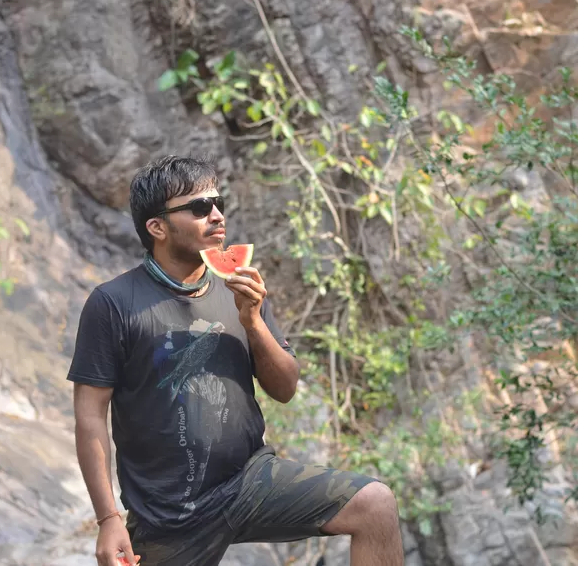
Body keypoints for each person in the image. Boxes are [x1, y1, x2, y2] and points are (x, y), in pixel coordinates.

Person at [67, 156, 405, 566]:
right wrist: (108, 518)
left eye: (217, 202)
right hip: (168, 515)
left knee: (375, 504)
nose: (216, 215)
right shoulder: (113, 304)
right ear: (157, 227)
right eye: (198, 207)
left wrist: (253, 322)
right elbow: (89, 417)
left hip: (249, 481)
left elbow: (284, 388)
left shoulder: (241, 287)